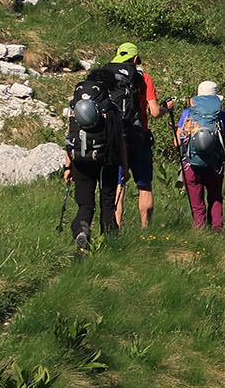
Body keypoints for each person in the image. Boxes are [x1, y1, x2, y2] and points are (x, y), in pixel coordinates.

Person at [63, 60, 134, 253]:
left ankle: (82, 230)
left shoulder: (76, 108)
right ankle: (111, 243)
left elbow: (70, 138)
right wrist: (125, 169)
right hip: (107, 161)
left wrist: (68, 167)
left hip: (79, 159)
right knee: (107, 203)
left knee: (85, 204)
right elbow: (120, 143)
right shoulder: (112, 109)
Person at [109, 43, 162, 228]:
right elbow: (154, 112)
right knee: (144, 185)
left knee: (119, 185)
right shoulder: (144, 78)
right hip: (140, 137)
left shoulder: (109, 79)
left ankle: (117, 227)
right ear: (134, 60)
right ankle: (145, 228)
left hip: (117, 138)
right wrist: (166, 108)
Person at [175, 80, 225, 229]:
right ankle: (216, 233)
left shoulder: (188, 113)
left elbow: (176, 142)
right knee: (215, 198)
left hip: (190, 163)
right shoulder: (220, 115)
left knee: (197, 203)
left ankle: (200, 233)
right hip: (214, 164)